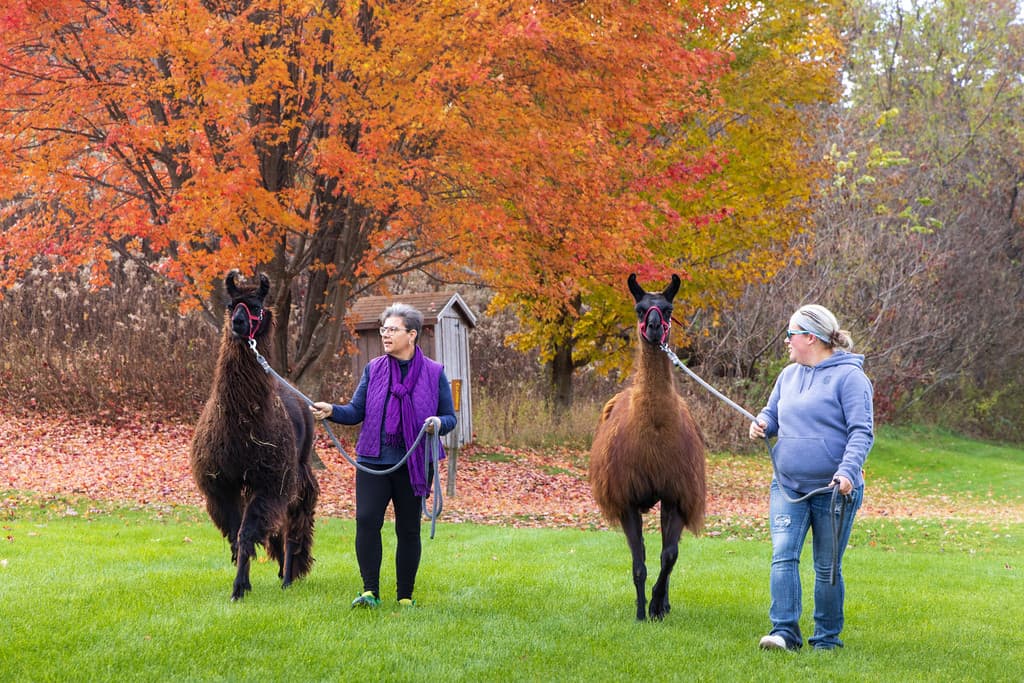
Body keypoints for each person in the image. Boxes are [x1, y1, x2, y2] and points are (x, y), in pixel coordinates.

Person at [312, 302, 456, 609]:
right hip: (373, 461)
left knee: (408, 528)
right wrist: (332, 410)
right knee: (366, 521)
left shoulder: (434, 373)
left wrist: (437, 423)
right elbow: (356, 411)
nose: (386, 335)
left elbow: (450, 418)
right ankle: (370, 592)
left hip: (414, 463)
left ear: (411, 335)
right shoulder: (373, 369)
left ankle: (405, 596)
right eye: (383, 330)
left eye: (392, 329)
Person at [748, 304, 874, 652]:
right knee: (783, 555)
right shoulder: (788, 376)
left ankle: (826, 639)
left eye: (791, 334)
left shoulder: (851, 378)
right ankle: (784, 632)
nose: (786, 340)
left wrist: (847, 472)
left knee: (827, 566)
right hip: (788, 485)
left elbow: (861, 432)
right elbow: (772, 413)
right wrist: (762, 424)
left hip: (834, 491)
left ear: (811, 337)